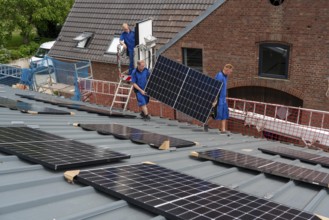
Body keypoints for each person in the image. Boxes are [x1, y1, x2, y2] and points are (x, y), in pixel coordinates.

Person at [214, 64, 234, 134]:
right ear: (227, 70)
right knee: (217, 114)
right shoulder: (220, 76)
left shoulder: (226, 76)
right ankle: (206, 123)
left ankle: (223, 129)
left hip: (223, 98)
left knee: (224, 113)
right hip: (219, 98)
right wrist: (215, 99)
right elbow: (216, 88)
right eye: (230, 72)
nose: (231, 73)